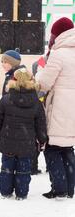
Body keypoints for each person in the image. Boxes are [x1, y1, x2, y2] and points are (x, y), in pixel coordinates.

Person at [0, 68, 47, 200]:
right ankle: (21, 193)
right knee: (24, 169)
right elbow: (41, 124)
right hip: (27, 143)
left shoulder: (6, 100)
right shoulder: (36, 103)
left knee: (7, 168)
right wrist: (42, 139)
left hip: (8, 142)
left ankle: (5, 191)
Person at [37, 17, 75, 199]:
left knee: (52, 148)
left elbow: (44, 83)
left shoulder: (58, 54)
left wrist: (38, 73)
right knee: (67, 148)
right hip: (72, 108)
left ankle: (59, 188)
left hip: (60, 106)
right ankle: (70, 188)